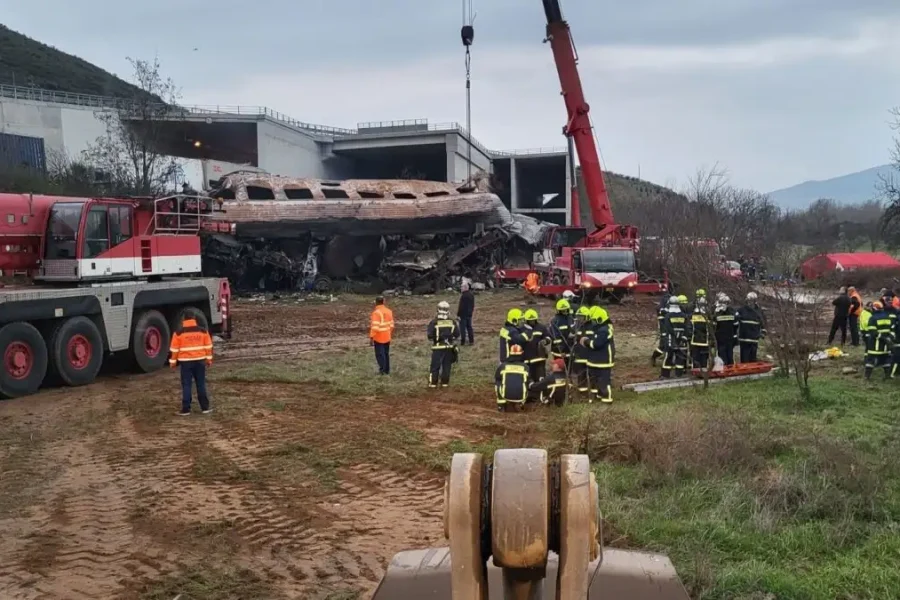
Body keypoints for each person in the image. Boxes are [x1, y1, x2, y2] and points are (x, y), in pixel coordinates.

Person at [169, 316, 214, 416]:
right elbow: (208, 347)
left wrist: (173, 362)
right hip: (200, 361)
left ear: (184, 320)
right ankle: (205, 408)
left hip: (185, 363)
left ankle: (186, 409)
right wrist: (209, 360)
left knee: (186, 385)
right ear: (194, 319)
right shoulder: (203, 331)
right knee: (201, 384)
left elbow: (174, 350)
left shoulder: (178, 333)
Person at [581, 306, 614, 403]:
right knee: (596, 380)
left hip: (603, 360)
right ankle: (599, 396)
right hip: (596, 360)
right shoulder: (599, 328)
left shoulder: (605, 330)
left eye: (594, 320)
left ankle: (607, 399)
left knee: (603, 381)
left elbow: (596, 344)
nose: (593, 322)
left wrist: (586, 341)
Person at [426, 300, 459, 388]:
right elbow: (457, 334)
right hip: (449, 347)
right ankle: (445, 383)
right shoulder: (452, 322)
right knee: (446, 366)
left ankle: (433, 384)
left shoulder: (434, 322)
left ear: (438, 310)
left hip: (437, 348)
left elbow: (429, 336)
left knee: (435, 366)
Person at [862, 301, 894, 381]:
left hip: (875, 344)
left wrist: (882, 338)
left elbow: (873, 333)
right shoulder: (887, 317)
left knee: (870, 360)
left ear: (874, 308)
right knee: (886, 359)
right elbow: (892, 330)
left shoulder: (873, 318)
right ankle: (887, 376)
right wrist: (889, 338)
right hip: (886, 345)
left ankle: (867, 377)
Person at [660, 295, 690, 378]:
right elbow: (687, 328)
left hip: (671, 339)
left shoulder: (668, 316)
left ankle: (665, 375)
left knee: (668, 357)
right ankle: (679, 374)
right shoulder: (684, 316)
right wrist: (683, 337)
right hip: (681, 340)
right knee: (680, 357)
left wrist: (674, 334)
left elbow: (668, 328)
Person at [495, 344, 529, 412]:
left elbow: (497, 378)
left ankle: (501, 405)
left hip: (505, 395)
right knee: (525, 382)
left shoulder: (503, 366)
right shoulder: (526, 367)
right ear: (521, 354)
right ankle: (521, 404)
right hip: (521, 396)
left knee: (498, 382)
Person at [522, 308, 550, 383]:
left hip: (539, 359)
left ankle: (542, 393)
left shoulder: (541, 327)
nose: (532, 322)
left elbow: (548, 337)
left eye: (534, 320)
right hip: (526, 360)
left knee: (541, 379)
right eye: (530, 320)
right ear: (526, 320)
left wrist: (545, 341)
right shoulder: (521, 329)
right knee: (528, 379)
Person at [370, 295, 395, 375]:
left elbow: (375, 327)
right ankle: (387, 370)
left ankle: (382, 371)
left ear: (376, 303)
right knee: (386, 354)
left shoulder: (376, 313)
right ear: (384, 302)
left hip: (379, 337)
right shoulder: (389, 311)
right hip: (387, 336)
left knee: (380, 355)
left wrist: (371, 337)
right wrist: (388, 332)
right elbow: (392, 325)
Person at [737, 292, 764, 363]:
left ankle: (752, 371)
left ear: (755, 301)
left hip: (754, 338)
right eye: (749, 301)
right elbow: (735, 321)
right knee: (744, 357)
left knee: (753, 357)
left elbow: (763, 323)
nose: (750, 303)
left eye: (752, 301)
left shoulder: (759, 311)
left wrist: (763, 332)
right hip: (744, 338)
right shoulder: (741, 310)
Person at [572, 305, 593, 394]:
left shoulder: (593, 326)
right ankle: (582, 393)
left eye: (582, 317)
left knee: (592, 375)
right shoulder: (575, 326)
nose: (580, 319)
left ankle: (594, 392)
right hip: (579, 356)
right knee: (581, 376)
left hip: (590, 356)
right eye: (579, 317)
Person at [713, 294, 739, 366]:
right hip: (727, 337)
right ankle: (729, 368)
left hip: (722, 338)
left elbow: (714, 326)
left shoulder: (717, 312)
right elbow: (736, 325)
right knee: (728, 354)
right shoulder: (732, 311)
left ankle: (725, 369)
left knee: (724, 354)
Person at [549, 298, 575, 363]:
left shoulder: (571, 319)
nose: (565, 312)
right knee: (559, 368)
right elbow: (554, 336)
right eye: (563, 310)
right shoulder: (555, 321)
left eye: (566, 310)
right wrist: (561, 349)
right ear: (559, 311)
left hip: (570, 349)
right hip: (559, 351)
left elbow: (574, 330)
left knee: (569, 368)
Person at [689, 296, 711, 370]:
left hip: (694, 340)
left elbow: (690, 327)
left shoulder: (693, 314)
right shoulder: (708, 315)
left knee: (695, 356)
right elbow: (711, 328)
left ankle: (696, 370)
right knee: (704, 356)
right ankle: (704, 370)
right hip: (705, 340)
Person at [651, 291, 671, 366]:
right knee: (663, 346)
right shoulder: (663, 310)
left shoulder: (661, 308)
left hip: (667, 330)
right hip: (665, 331)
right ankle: (654, 357)